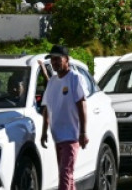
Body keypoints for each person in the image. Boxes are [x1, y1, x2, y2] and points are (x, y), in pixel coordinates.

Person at [41, 44, 89, 190]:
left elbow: (82, 105)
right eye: (52, 60)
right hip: (57, 136)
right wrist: (44, 132)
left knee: (65, 174)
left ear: (66, 59)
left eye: (57, 59)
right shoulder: (52, 82)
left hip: (71, 135)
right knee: (68, 175)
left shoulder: (75, 78)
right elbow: (47, 109)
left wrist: (83, 132)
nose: (54, 62)